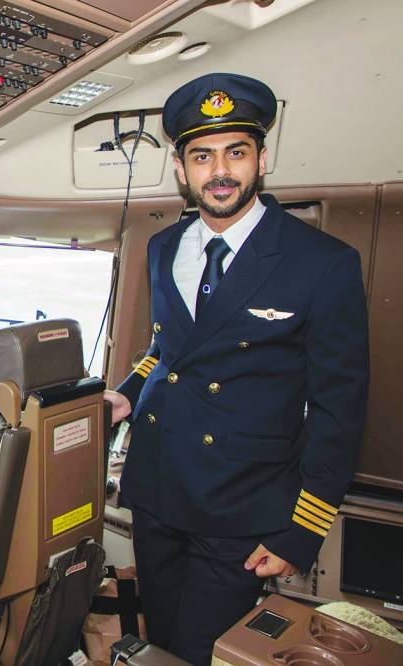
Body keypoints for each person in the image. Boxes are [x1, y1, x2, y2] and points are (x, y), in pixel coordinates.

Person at [104, 73, 369, 665]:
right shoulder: (163, 247)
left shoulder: (320, 263)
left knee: (204, 653)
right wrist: (125, 393)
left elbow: (339, 409)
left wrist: (303, 530)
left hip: (241, 508)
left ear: (261, 158)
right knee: (162, 642)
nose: (219, 171)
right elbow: (169, 349)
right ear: (181, 168)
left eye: (235, 153)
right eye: (202, 156)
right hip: (155, 490)